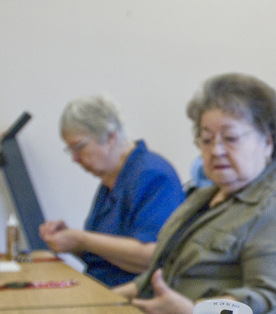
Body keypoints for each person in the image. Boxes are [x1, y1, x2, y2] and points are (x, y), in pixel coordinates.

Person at [114, 73, 276, 314]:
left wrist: (192, 311)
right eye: (206, 139)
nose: (216, 150)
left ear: (268, 142)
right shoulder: (203, 197)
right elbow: (162, 277)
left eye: (231, 138)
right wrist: (95, 300)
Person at [40, 93, 184, 287]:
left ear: (110, 137)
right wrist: (71, 242)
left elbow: (152, 257)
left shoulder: (153, 175)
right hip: (99, 289)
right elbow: (102, 258)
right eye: (70, 150)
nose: (74, 158)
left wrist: (83, 239)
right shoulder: (110, 179)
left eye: (78, 147)